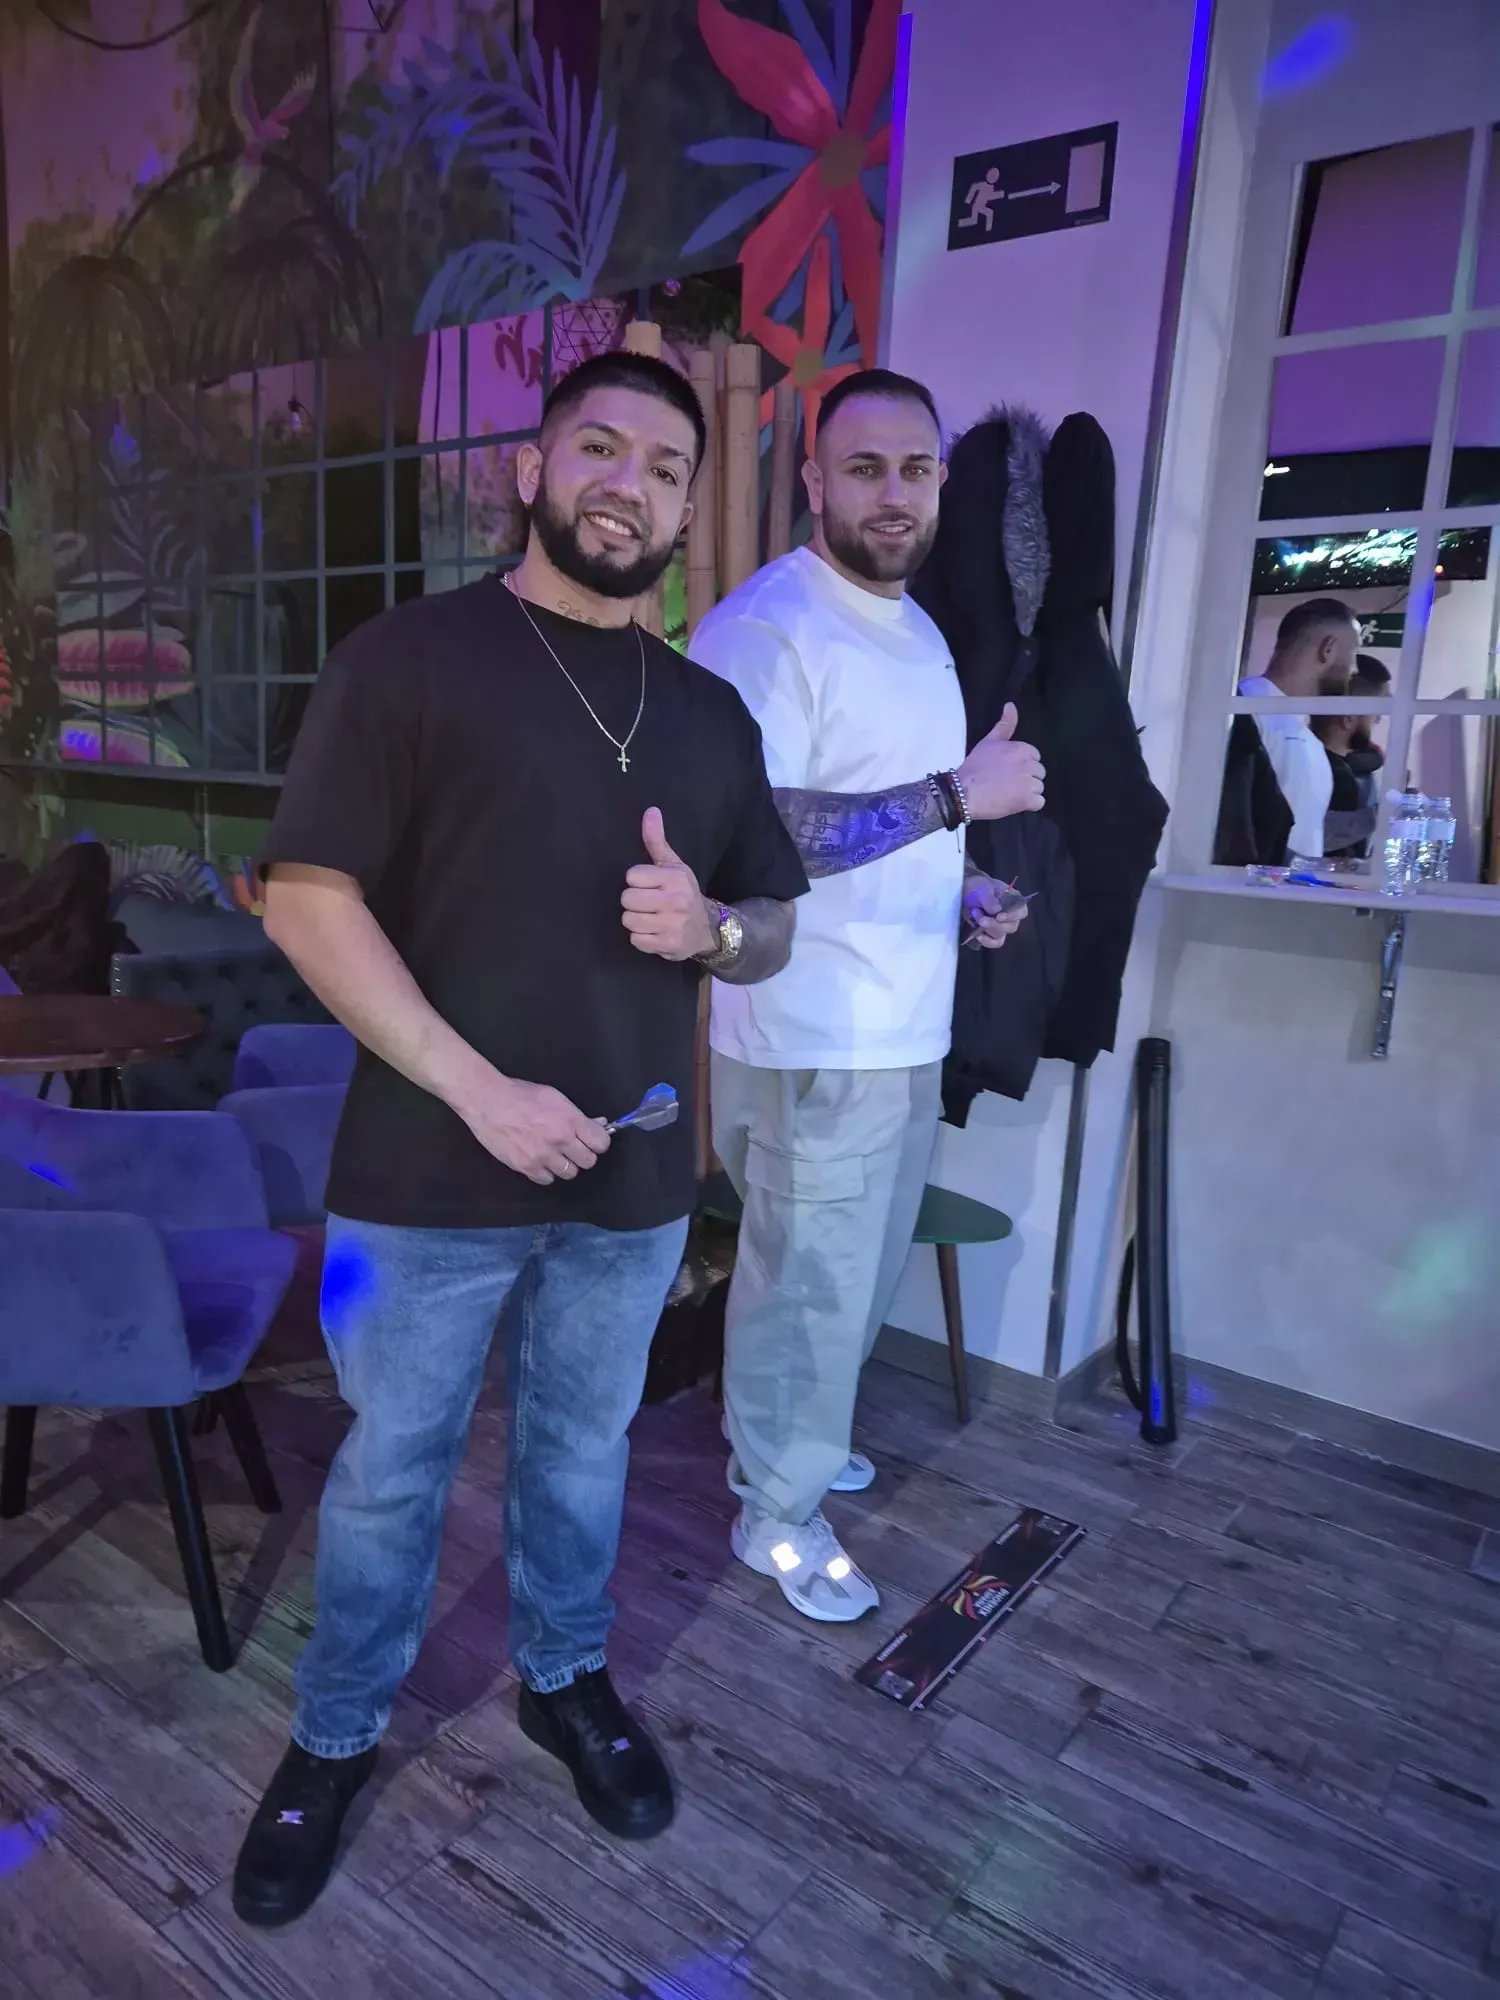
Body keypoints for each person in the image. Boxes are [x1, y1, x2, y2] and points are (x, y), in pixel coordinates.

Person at [230, 351, 809, 1928]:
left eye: (665, 464)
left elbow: (771, 926)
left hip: (627, 1182)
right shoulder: (409, 661)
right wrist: (479, 1091)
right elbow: (306, 898)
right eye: (599, 446)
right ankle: (336, 1736)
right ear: (534, 469)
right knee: (390, 1474)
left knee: (578, 1454)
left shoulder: (708, 712)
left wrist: (715, 932)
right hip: (424, 1183)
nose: (631, 482)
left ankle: (563, 1677)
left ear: (690, 505)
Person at [689, 368, 1044, 1624]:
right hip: (810, 1026)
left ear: (942, 481)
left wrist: (957, 893)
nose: (893, 493)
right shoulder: (768, 629)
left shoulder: (920, 627)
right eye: (864, 467)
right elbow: (756, 834)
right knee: (810, 1277)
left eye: (916, 469)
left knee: (853, 1269)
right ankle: (774, 1512)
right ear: (814, 481)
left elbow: (882, 814)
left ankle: (797, 1429)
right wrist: (957, 800)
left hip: (901, 1020)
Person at [1237, 596, 1359, 858]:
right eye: (1354, 653)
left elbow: (1304, 830)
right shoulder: (1246, 711)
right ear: (1328, 649)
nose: (1355, 668)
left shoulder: (1303, 732)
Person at [1316, 653, 1390, 858]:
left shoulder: (1359, 768)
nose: (1378, 720)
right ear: (1349, 718)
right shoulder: (1336, 776)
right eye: (1377, 710)